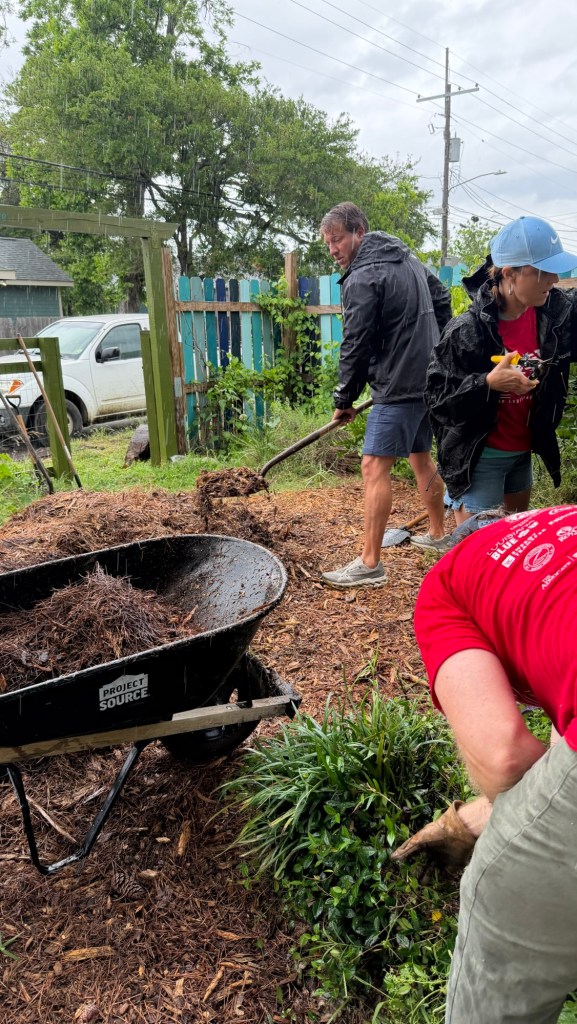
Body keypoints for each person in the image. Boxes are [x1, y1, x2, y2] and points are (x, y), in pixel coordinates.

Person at [393, 505, 577, 1023]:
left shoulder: (448, 582)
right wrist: (478, 814)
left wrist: (508, 825)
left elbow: (504, 758)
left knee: (497, 900)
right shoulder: (562, 528)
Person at [319, 202, 453, 589]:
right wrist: (438, 351)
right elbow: (442, 298)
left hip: (398, 385)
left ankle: (370, 563)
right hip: (427, 379)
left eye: (338, 240)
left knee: (373, 467)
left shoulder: (364, 276)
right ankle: (439, 534)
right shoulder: (407, 259)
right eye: (328, 244)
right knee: (420, 456)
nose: (333, 250)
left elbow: (356, 342)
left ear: (359, 232)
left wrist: (344, 398)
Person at [426, 216, 577, 526]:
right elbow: (437, 401)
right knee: (481, 551)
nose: (554, 279)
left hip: (521, 454)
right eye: (543, 271)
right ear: (509, 273)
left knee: (512, 544)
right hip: (478, 460)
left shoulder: (555, 315)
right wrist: (487, 383)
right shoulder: (466, 331)